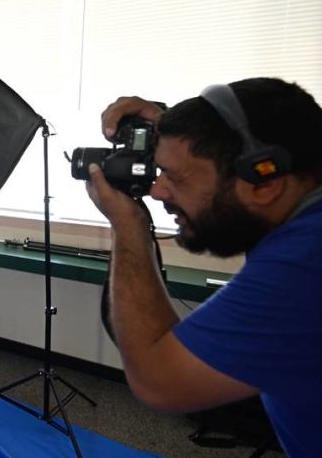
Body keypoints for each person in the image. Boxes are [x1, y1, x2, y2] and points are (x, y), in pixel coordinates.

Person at [84, 77, 322, 457]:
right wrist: (177, 130)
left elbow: (159, 381)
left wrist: (128, 226)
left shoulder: (307, 266)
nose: (157, 190)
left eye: (175, 177)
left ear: (264, 178)